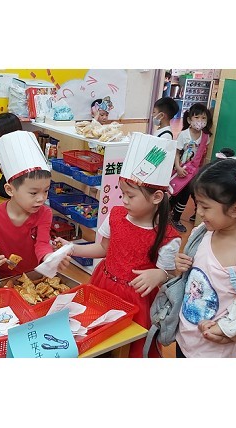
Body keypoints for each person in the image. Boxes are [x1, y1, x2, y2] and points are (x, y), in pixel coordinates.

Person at [64, 132, 180, 357]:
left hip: (137, 301)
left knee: (126, 348)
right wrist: (72, 248)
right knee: (97, 341)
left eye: (131, 196)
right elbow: (103, 249)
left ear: (157, 197)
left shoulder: (167, 236)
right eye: (122, 193)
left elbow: (170, 275)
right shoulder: (116, 215)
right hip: (104, 285)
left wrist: (160, 274)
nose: (124, 200)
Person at [173, 158, 236, 358]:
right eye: (198, 204)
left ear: (235, 210)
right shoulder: (203, 232)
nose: (198, 212)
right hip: (184, 340)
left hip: (213, 353)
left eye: (205, 207)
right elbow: (190, 278)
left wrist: (230, 334)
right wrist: (180, 265)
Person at [0, 130, 67, 279]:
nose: (41, 199)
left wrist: (49, 258)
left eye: (46, 191)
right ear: (10, 190)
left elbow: (42, 243)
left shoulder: (44, 213)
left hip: (35, 276)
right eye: (33, 193)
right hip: (4, 278)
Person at [169, 102, 214, 232]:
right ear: (189, 120)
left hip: (193, 173)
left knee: (185, 196)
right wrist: (178, 167)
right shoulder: (184, 134)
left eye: (203, 118)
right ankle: (165, 214)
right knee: (175, 193)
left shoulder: (205, 137)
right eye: (197, 117)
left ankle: (176, 218)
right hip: (181, 170)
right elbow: (177, 153)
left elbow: (203, 155)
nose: (200, 121)